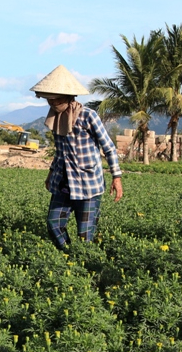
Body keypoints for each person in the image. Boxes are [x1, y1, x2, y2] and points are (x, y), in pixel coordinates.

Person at [30, 65, 123, 249]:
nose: (51, 104)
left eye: (54, 100)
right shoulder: (54, 118)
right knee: (54, 223)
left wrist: (116, 177)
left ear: (66, 97)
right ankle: (68, 257)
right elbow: (60, 152)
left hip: (87, 184)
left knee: (85, 236)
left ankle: (83, 265)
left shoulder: (88, 116)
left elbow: (109, 148)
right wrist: (50, 174)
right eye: (49, 100)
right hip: (63, 183)